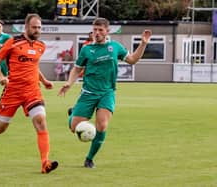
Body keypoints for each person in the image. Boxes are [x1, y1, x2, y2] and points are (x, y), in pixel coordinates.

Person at [58, 17, 151, 169]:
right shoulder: (86, 49)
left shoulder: (115, 47)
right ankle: (73, 113)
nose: (97, 33)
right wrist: (69, 83)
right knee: (74, 128)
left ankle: (89, 159)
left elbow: (133, 60)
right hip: (88, 93)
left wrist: (143, 44)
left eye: (100, 30)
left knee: (101, 126)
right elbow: (77, 68)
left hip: (107, 93)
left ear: (107, 31)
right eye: (95, 30)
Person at [0, 13, 58, 174]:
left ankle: (45, 162)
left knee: (40, 121)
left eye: (39, 27)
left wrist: (44, 81)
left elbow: (33, 66)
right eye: (34, 27)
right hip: (13, 91)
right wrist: (1, 77)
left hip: (32, 91)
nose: (37, 30)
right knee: (0, 128)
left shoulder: (41, 45)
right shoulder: (13, 42)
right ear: (26, 27)